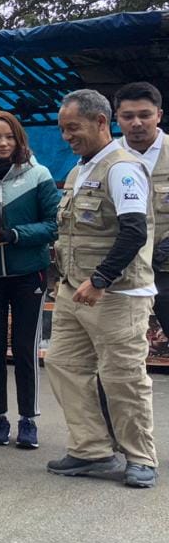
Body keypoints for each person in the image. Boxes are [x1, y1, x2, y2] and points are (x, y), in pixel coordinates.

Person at [46, 89, 157, 489]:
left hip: (115, 294)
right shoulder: (79, 171)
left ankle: (140, 458)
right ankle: (91, 449)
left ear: (99, 122)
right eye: (62, 129)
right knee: (63, 364)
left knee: (122, 377)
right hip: (73, 291)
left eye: (72, 128)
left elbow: (133, 232)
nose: (66, 136)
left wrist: (101, 279)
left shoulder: (121, 168)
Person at [0, 110, 60, 449]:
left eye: (9, 136)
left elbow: (54, 224)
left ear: (19, 138)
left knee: (25, 348)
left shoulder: (38, 174)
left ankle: (28, 420)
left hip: (29, 275)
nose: (3, 143)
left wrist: (13, 235)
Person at [114, 82, 169, 349]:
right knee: (119, 350)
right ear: (116, 118)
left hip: (166, 269)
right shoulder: (106, 158)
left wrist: (161, 252)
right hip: (123, 271)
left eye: (144, 115)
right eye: (128, 116)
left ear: (159, 115)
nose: (136, 123)